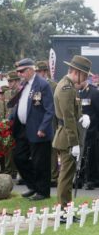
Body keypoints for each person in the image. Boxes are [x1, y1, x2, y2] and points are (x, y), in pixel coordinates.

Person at [9, 58, 54, 200]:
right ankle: (34, 186)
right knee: (19, 157)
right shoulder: (25, 85)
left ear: (30, 70)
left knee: (40, 162)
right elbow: (20, 106)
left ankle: (43, 192)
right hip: (23, 128)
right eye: (18, 72)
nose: (20, 74)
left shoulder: (42, 84)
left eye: (21, 71)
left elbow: (49, 110)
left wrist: (43, 128)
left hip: (38, 129)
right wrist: (9, 121)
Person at [52, 55, 91, 218]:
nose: (85, 79)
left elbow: (73, 114)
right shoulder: (66, 88)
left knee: (67, 176)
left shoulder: (69, 86)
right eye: (85, 75)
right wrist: (74, 143)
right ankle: (63, 212)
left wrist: (82, 117)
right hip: (67, 138)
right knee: (66, 178)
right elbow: (67, 118)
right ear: (77, 72)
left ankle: (66, 210)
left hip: (67, 136)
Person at [35, 61, 59, 187]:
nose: (37, 74)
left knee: (52, 149)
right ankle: (44, 175)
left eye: (39, 72)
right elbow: (36, 104)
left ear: (45, 72)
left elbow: (56, 105)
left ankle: (54, 176)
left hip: (52, 121)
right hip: (40, 121)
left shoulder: (54, 85)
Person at [77, 79, 99, 189]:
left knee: (91, 156)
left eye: (78, 82)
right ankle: (79, 178)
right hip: (80, 131)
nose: (76, 84)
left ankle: (92, 179)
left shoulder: (94, 92)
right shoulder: (77, 93)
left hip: (92, 130)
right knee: (80, 155)